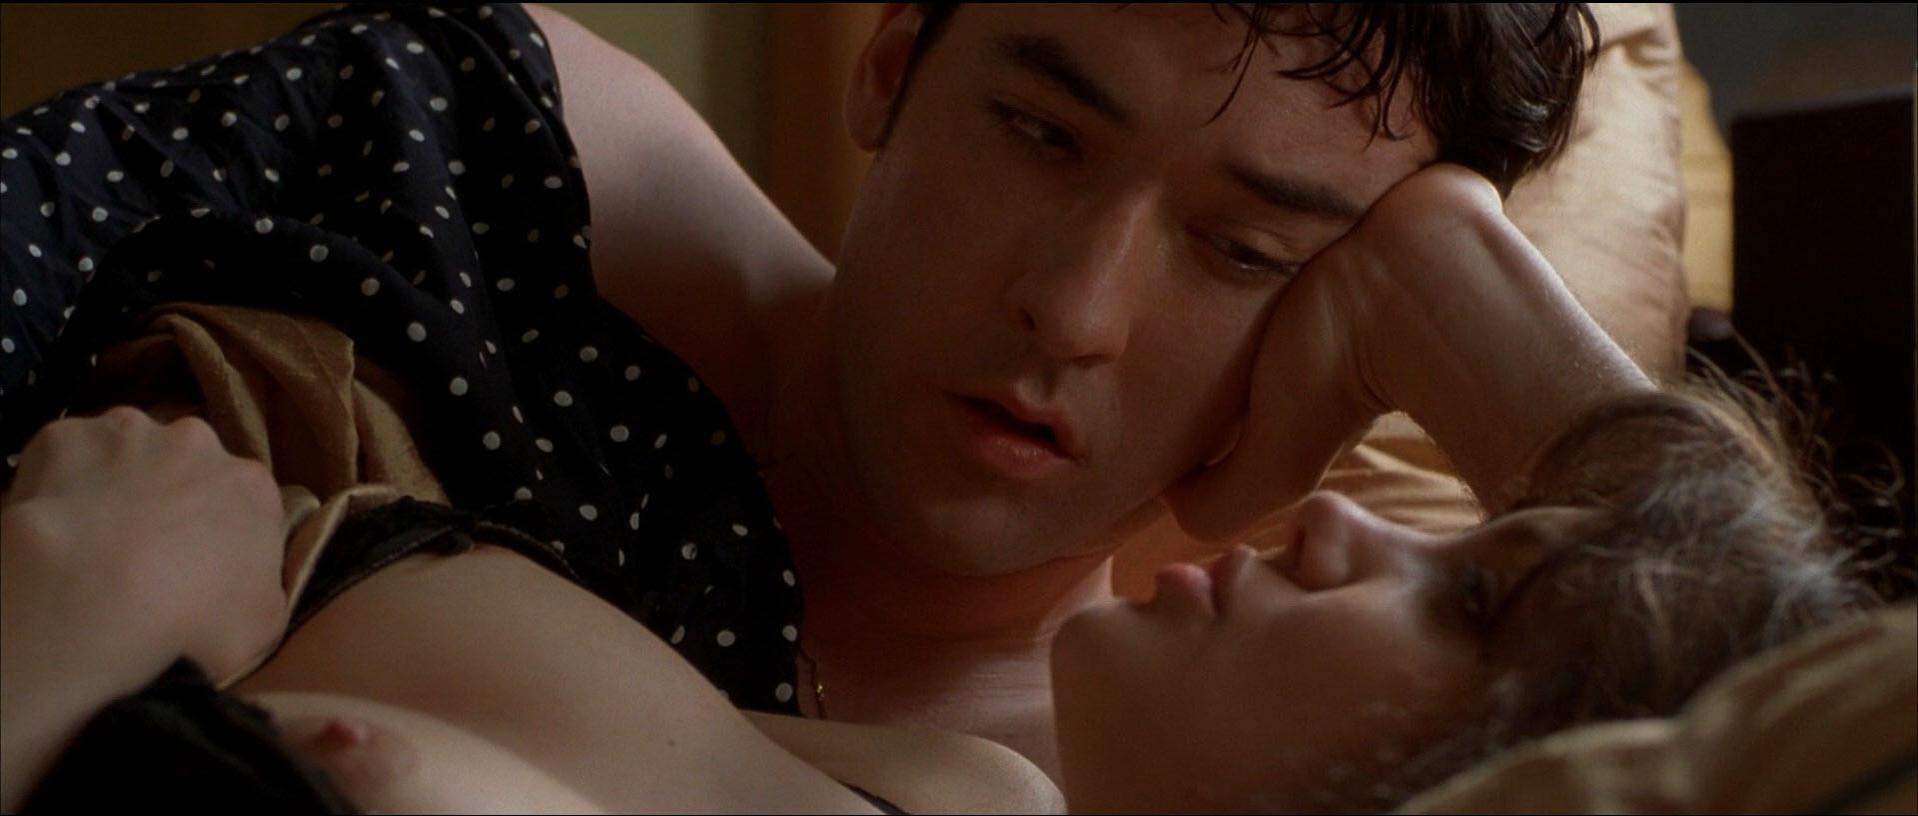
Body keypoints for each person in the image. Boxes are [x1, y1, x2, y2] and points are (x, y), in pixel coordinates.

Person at [0, 0, 1684, 804]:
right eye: (1039, 135)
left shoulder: (1132, 775)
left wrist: (1471, 303)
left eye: (1245, 250)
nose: (1073, 310)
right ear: (892, 61)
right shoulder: (476, 156)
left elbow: (1801, 726)